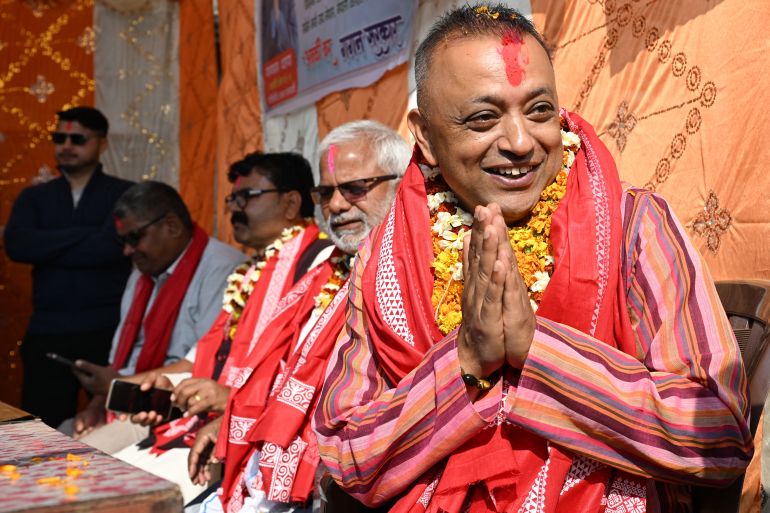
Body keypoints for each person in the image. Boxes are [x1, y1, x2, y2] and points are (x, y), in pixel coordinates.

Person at [313, 5, 753, 513]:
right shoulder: (387, 258)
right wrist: (465, 362)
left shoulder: (635, 224)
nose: (521, 143)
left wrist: (537, 351)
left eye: (540, 111)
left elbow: (717, 432)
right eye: (484, 118)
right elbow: (346, 455)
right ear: (426, 137)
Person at [106, 150, 334, 502]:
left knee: (114, 495)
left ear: (291, 203)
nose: (234, 209)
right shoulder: (250, 274)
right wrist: (172, 388)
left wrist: (231, 403)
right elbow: (209, 362)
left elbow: (310, 381)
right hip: (205, 424)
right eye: (232, 198)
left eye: (248, 197)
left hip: (254, 439)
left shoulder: (320, 267)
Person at [68, 181, 245, 450]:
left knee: (73, 459)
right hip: (126, 399)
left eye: (134, 238)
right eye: (122, 241)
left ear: (171, 226)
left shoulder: (224, 269)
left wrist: (117, 385)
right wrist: (96, 404)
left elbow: (202, 364)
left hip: (172, 410)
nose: (127, 251)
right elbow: (121, 361)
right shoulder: (142, 273)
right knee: (49, 442)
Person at [4, 106, 134, 428]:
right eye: (59, 137)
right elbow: (18, 246)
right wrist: (89, 234)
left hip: (107, 328)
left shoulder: (123, 193)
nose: (66, 145)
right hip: (49, 330)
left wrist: (47, 244)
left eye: (78, 139)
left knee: (113, 423)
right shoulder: (34, 198)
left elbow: (112, 248)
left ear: (101, 143)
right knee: (40, 429)